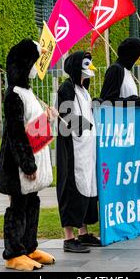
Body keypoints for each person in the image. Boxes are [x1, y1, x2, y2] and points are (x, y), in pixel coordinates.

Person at [0, 39, 57, 271]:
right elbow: (16, 133)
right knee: (18, 206)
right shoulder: (14, 95)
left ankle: (29, 247)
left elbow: (32, 127)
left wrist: (47, 119)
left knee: (32, 203)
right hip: (18, 167)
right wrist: (27, 164)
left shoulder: (27, 93)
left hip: (34, 160)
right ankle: (14, 253)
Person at [56, 51, 101, 253]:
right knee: (72, 188)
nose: (90, 67)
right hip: (73, 149)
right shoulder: (66, 88)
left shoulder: (83, 89)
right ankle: (69, 237)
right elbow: (65, 117)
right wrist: (84, 125)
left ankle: (83, 233)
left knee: (87, 187)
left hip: (86, 150)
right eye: (86, 63)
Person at [99, 37, 140, 108]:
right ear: (132, 54)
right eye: (139, 53)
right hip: (119, 118)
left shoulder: (126, 70)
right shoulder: (115, 69)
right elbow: (108, 102)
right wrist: (134, 102)